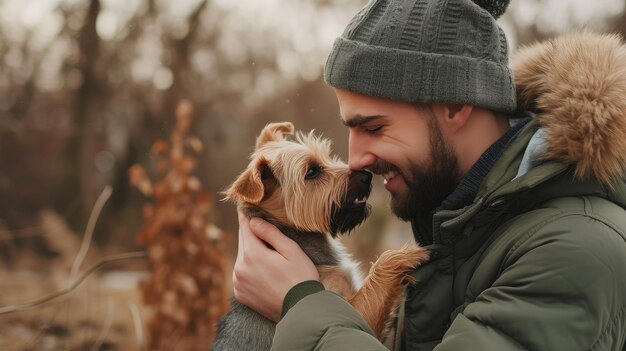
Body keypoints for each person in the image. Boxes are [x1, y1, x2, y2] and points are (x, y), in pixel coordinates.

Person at [232, 0, 626, 349]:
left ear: (456, 104)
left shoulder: (573, 251)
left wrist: (301, 304)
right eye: (349, 130)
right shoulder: (458, 226)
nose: (355, 160)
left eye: (374, 128)